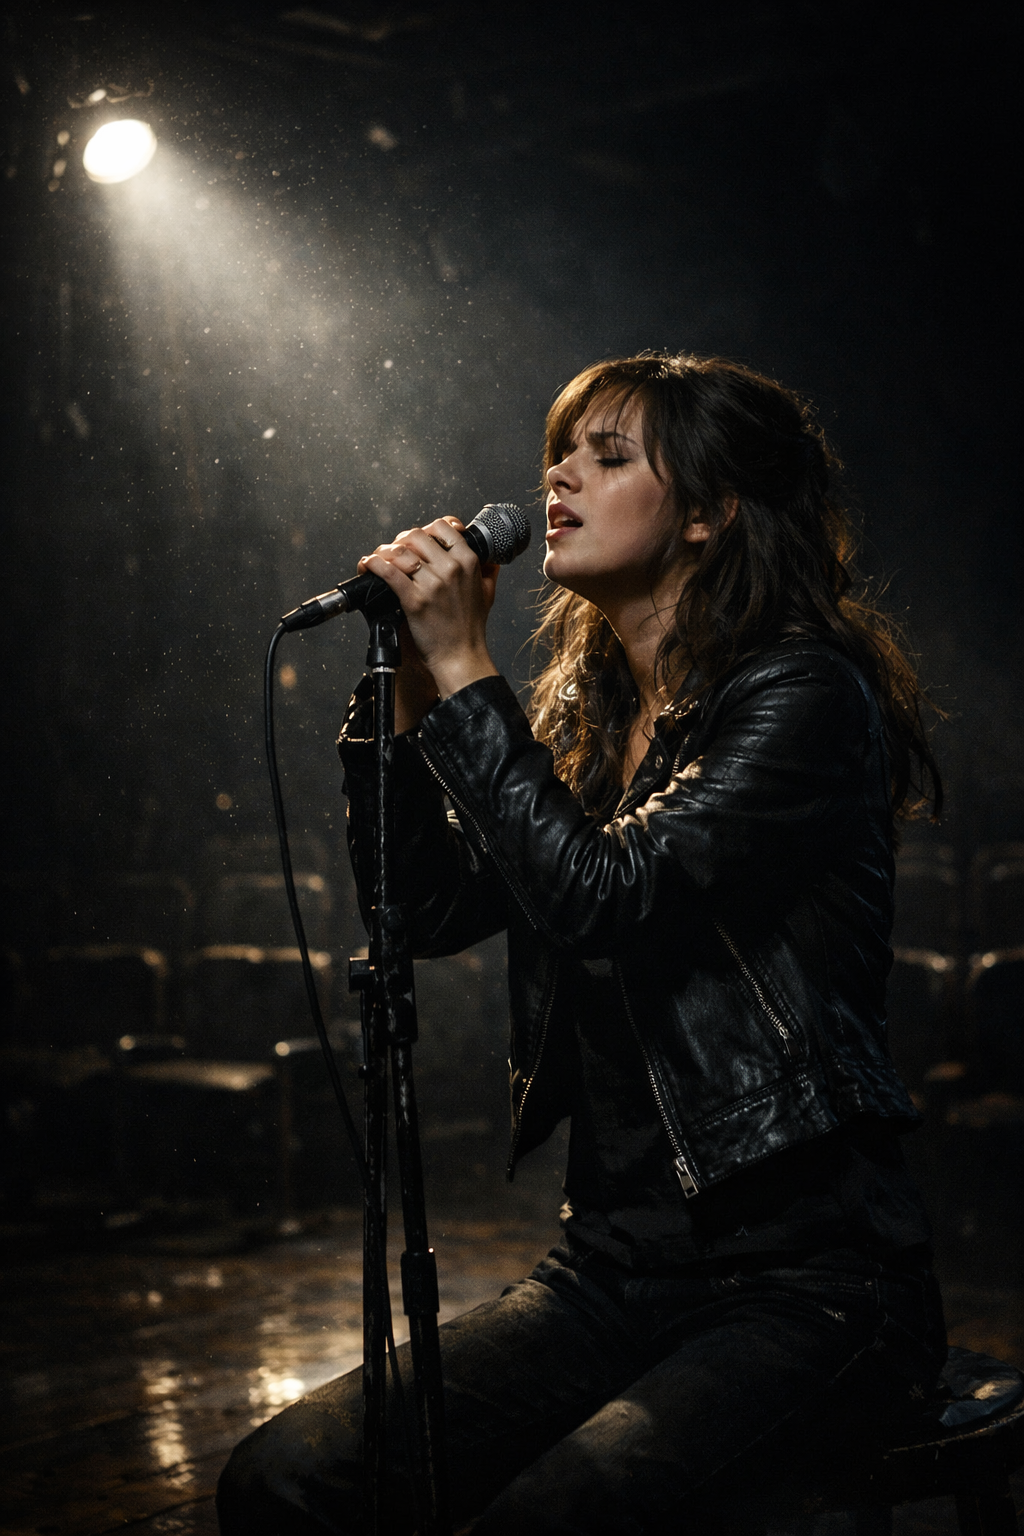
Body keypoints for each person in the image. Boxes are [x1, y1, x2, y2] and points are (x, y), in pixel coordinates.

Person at [218, 352, 948, 1534]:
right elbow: (426, 913)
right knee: (284, 1478)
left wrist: (465, 669)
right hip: (610, 1271)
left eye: (608, 457)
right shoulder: (584, 719)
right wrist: (405, 699)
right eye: (561, 452)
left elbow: (603, 897)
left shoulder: (803, 697)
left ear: (709, 513)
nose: (557, 476)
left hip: (809, 1282)